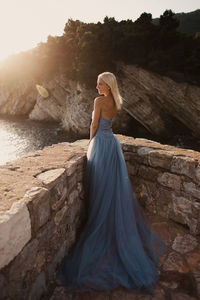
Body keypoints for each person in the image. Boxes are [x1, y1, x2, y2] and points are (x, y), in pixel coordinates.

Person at [56, 72, 167, 294]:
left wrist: (89, 144)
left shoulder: (99, 101)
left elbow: (94, 124)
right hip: (112, 146)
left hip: (100, 145)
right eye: (97, 82)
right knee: (111, 189)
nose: (96, 86)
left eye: (100, 83)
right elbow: (107, 123)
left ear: (107, 85)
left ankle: (100, 227)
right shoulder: (116, 101)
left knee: (99, 188)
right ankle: (110, 226)